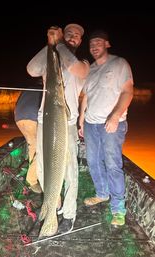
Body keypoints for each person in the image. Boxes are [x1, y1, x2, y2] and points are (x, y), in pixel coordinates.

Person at [27, 23, 90, 233]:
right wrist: (50, 44)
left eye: (76, 36)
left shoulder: (82, 63)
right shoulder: (50, 60)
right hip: (45, 121)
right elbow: (31, 69)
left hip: (67, 124)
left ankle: (69, 214)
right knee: (44, 168)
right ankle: (51, 207)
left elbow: (76, 69)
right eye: (69, 33)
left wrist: (60, 44)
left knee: (70, 171)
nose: (72, 37)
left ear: (80, 41)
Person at [78, 29, 134, 226]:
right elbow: (86, 96)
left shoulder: (119, 63)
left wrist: (116, 116)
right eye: (92, 44)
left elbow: (128, 91)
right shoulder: (90, 69)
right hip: (90, 124)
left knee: (112, 164)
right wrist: (81, 119)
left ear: (107, 44)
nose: (94, 47)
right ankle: (102, 193)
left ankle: (118, 209)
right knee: (93, 161)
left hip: (112, 124)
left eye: (98, 43)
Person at [14, 89, 42, 193]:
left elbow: (16, 106)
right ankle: (32, 180)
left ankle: (35, 174)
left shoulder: (27, 89)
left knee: (33, 147)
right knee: (43, 150)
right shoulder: (44, 89)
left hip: (19, 118)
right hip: (33, 118)